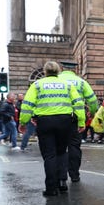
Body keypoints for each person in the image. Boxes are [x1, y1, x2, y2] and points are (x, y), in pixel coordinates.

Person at [19, 61, 85, 196]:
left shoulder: (37, 85)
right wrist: (81, 121)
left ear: (45, 72)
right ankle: (62, 182)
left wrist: (23, 122)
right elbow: (78, 103)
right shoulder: (68, 85)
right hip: (65, 121)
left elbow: (27, 104)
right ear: (58, 71)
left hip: (45, 122)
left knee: (49, 155)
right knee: (62, 152)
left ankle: (51, 188)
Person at [58, 61, 98, 183]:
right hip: (75, 118)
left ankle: (61, 177)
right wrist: (91, 111)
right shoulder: (81, 82)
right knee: (74, 147)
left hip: (58, 117)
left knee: (60, 148)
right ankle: (74, 175)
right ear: (74, 70)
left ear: (62, 69)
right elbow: (93, 100)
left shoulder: (55, 80)